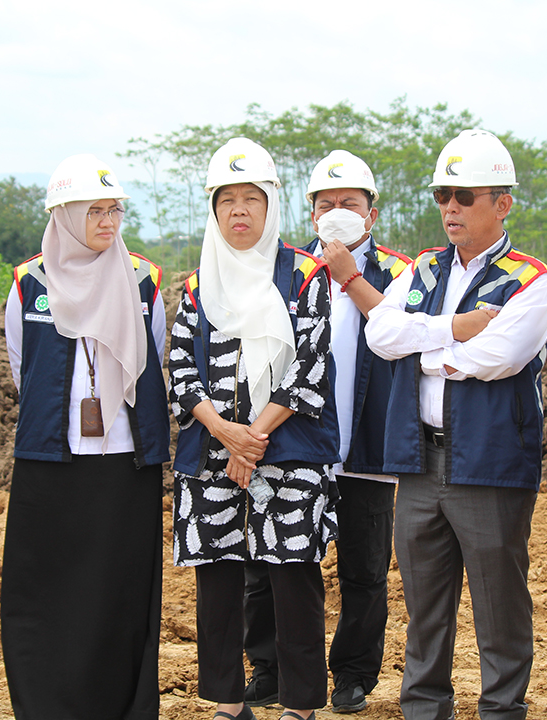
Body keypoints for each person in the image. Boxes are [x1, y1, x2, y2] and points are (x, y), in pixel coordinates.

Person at [365, 129, 547, 720]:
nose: (450, 207)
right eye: (441, 196)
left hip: (491, 459)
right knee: (424, 601)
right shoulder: (423, 268)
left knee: (500, 602)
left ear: (502, 203)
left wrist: (423, 347)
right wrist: (456, 328)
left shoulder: (533, 279)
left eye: (464, 195)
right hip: (419, 460)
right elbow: (379, 334)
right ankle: (425, 709)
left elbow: (497, 359)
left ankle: (502, 710)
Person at [169, 137, 340, 720]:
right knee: (218, 584)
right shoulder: (197, 285)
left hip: (289, 451)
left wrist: (253, 437)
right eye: (227, 200)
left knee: (294, 580)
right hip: (214, 452)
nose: (239, 211)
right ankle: (225, 698)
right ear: (214, 210)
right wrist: (225, 433)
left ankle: (300, 703)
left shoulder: (305, 276)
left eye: (251, 199)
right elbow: (180, 370)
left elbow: (311, 367)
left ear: (271, 206)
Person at [0, 154, 171, 719]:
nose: (107, 221)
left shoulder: (143, 279)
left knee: (120, 591)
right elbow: (21, 364)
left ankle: (122, 704)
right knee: (47, 588)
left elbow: (156, 359)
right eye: (93, 211)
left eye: (114, 209)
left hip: (126, 462)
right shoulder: (29, 282)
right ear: (65, 215)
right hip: (53, 461)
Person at [242, 150, 410, 713]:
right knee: (275, 562)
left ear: (372, 214)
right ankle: (270, 669)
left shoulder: (401, 271)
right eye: (327, 204)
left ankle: (353, 674)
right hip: (294, 444)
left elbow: (404, 335)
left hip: (366, 445)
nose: (337, 212)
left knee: (363, 567)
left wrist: (352, 277)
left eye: (350, 204)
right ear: (310, 213)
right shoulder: (282, 268)